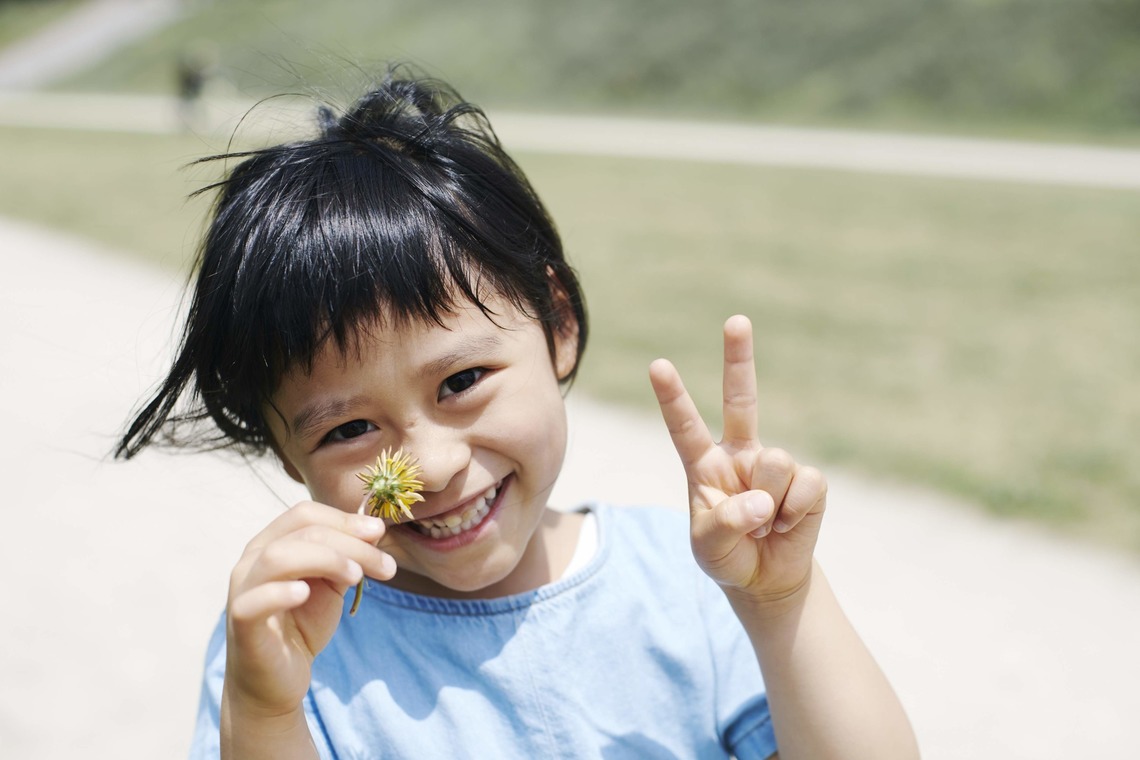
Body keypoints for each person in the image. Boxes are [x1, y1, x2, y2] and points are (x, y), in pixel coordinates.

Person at [117, 68, 918, 759]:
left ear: (558, 325)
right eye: (349, 430)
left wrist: (781, 605)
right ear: (288, 456)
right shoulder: (287, 650)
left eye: (462, 379)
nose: (429, 466)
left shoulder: (693, 584)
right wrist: (262, 712)